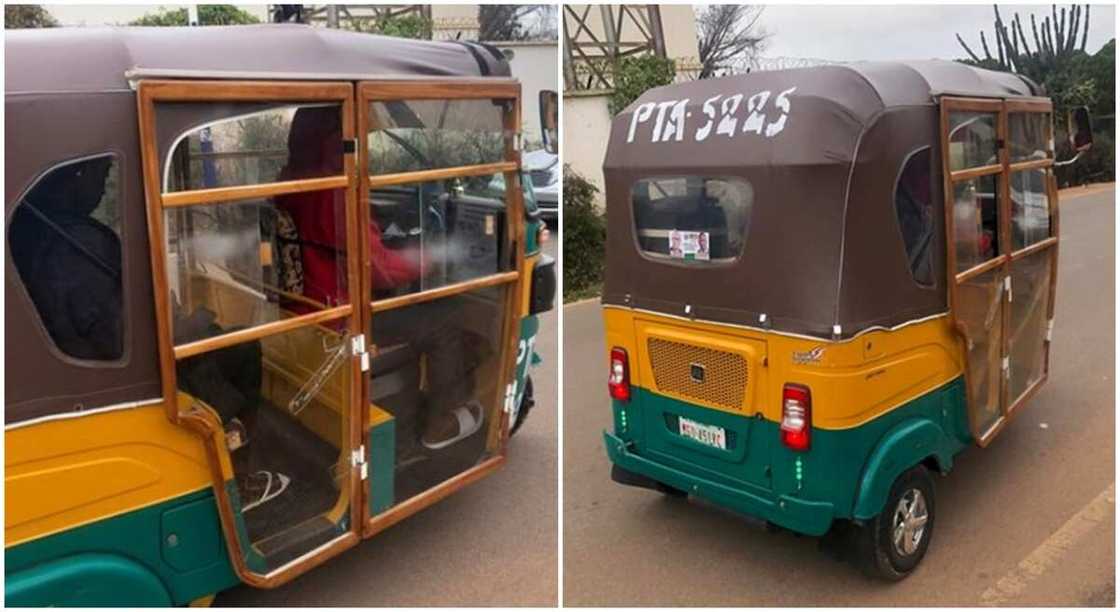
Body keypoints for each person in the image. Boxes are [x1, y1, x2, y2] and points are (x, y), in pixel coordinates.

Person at [275, 106, 485, 450]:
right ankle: (439, 421)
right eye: (350, 137)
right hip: (338, 323)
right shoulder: (333, 193)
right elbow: (379, 269)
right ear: (331, 141)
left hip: (304, 310)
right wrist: (428, 260)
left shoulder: (290, 180)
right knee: (442, 319)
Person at [9, 156, 123, 361]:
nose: (104, 189)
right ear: (78, 175)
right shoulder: (80, 244)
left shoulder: (27, 227)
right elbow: (115, 338)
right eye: (103, 175)